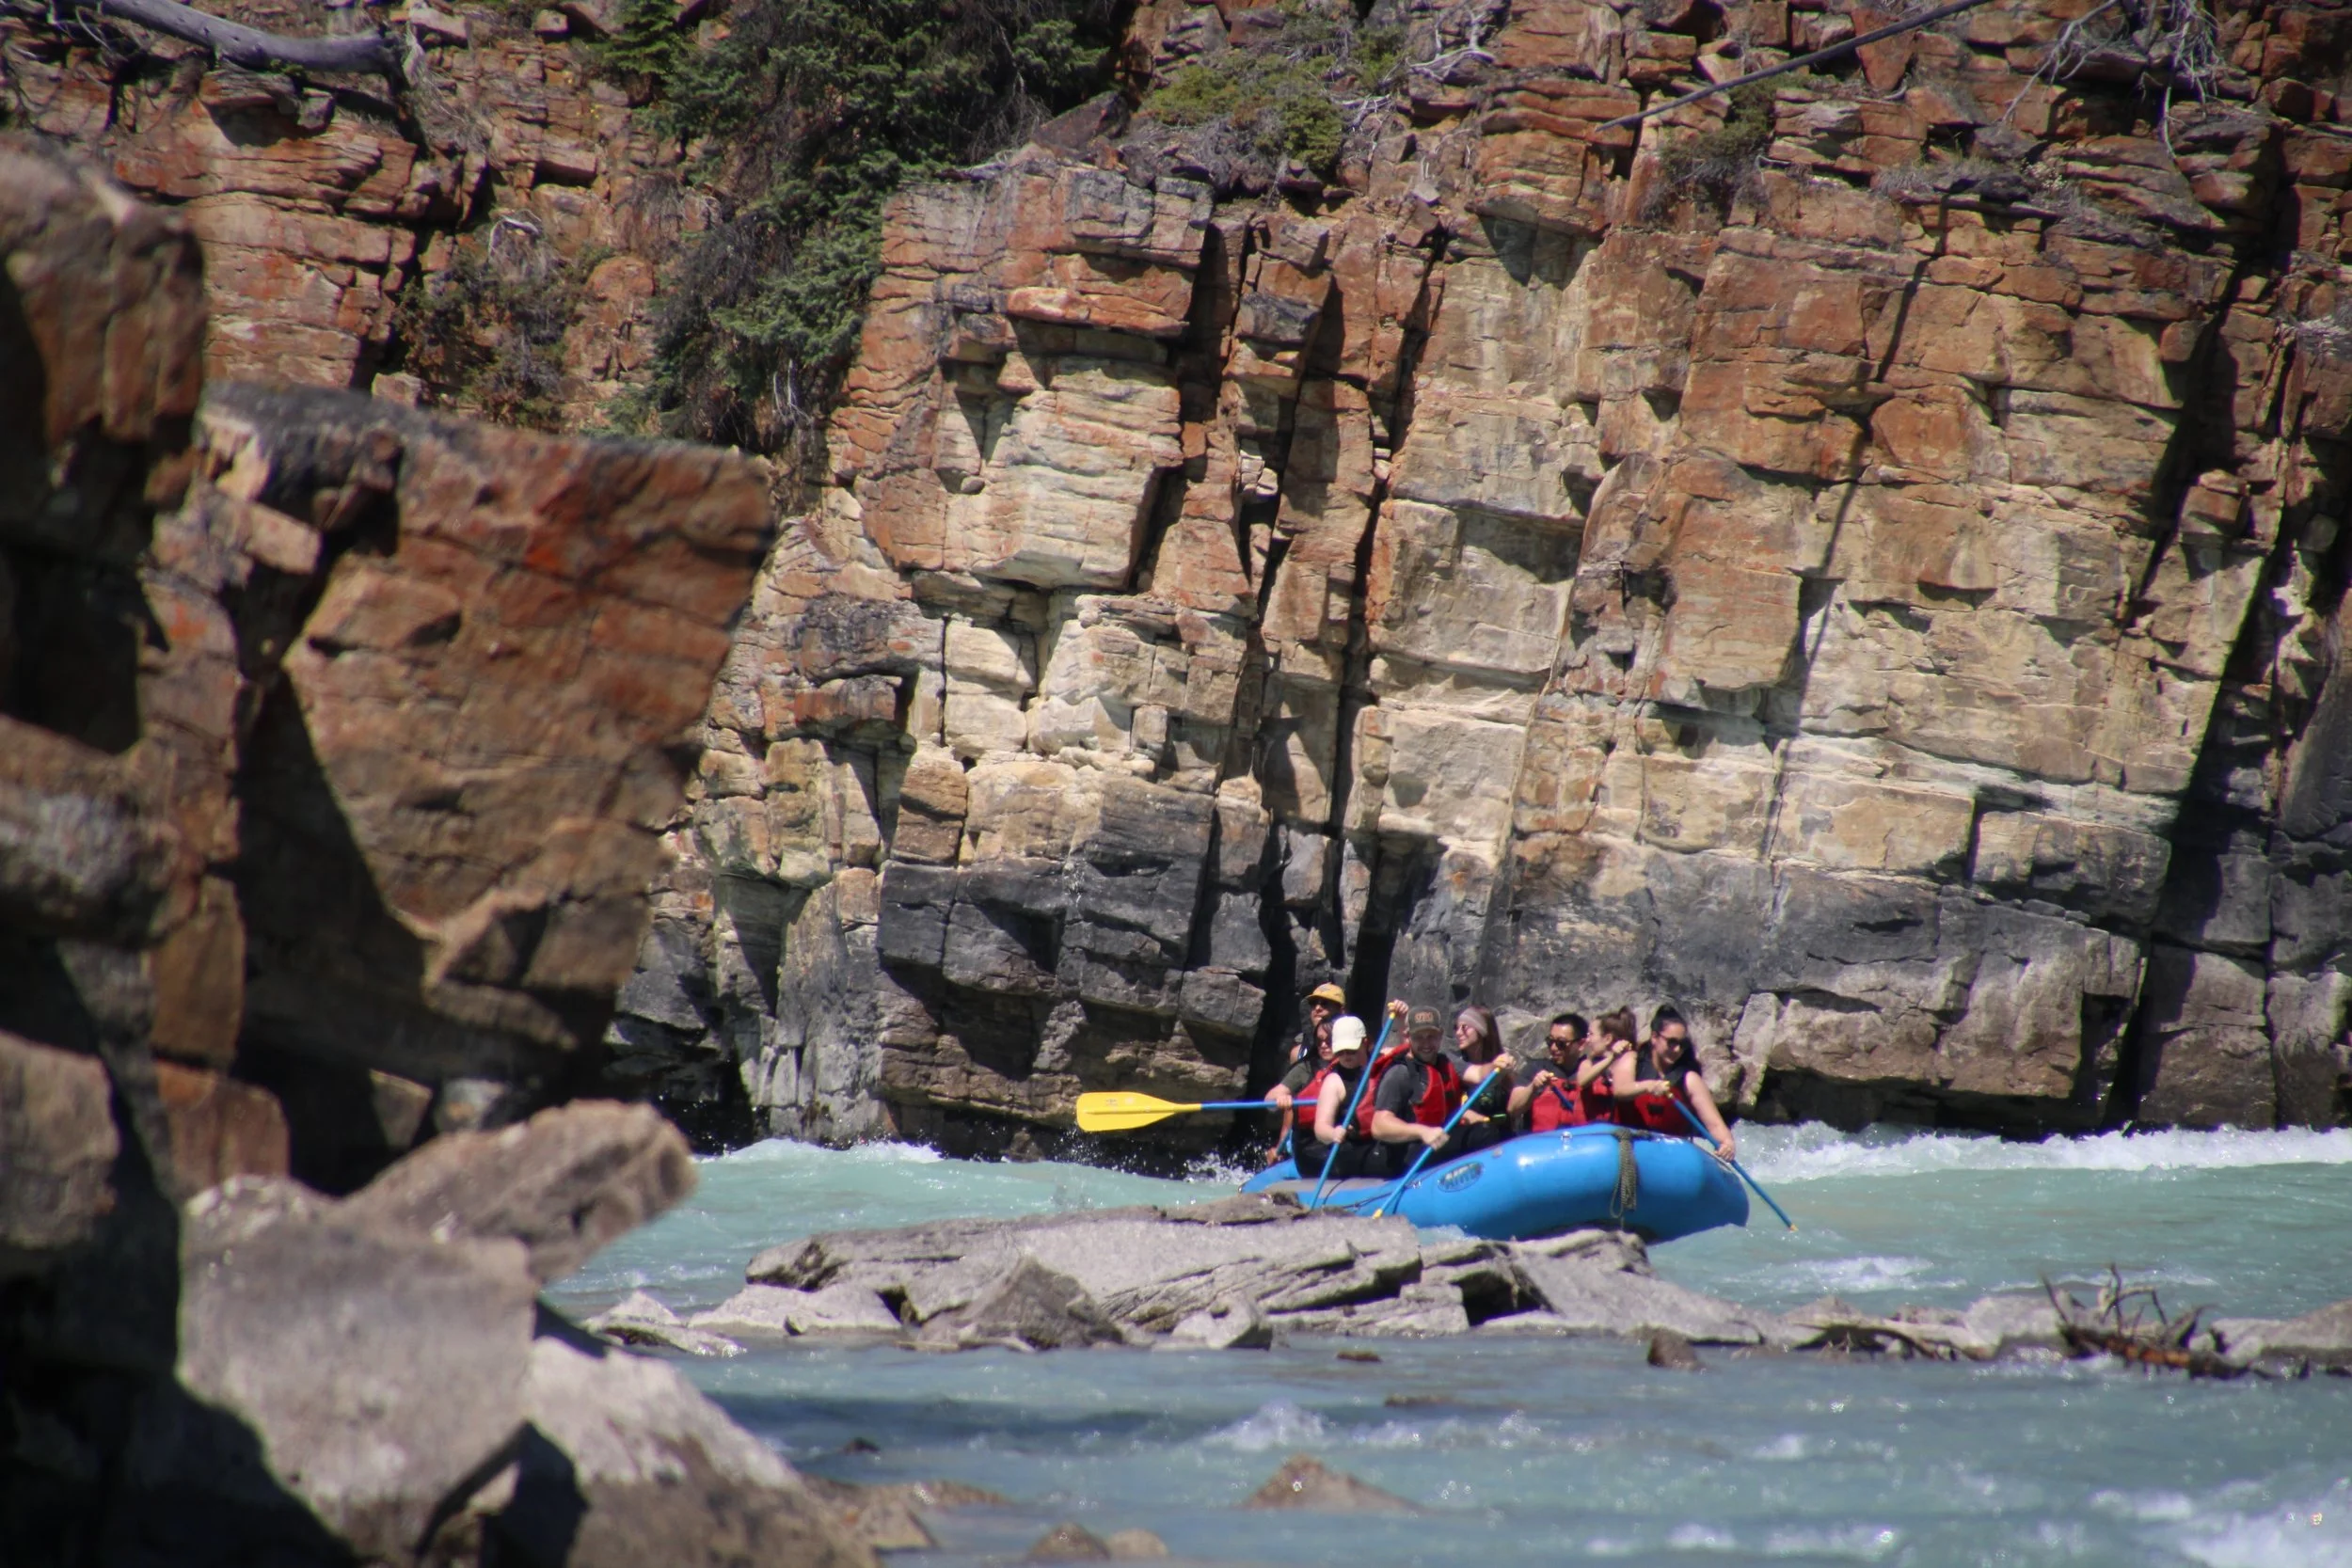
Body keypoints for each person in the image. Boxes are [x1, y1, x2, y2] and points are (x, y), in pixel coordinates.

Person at [1609, 1005, 1736, 1161]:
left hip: (1669, 1157)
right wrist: (1648, 1086)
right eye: (1672, 1042)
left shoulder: (1689, 1079)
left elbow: (1715, 1125)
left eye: (1682, 1044)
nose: (1677, 1050)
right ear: (1654, 1037)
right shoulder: (1632, 1060)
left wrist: (1727, 1143)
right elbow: (1620, 1090)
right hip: (1627, 1148)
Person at [1363, 1004, 1466, 1176]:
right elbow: (1379, 1125)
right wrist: (1422, 1131)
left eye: (1431, 1036)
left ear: (1440, 1035)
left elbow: (1477, 1073)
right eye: (1419, 1037)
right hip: (1404, 1152)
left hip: (1435, 1141)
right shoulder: (1399, 1073)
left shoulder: (1445, 1064)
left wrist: (1496, 1065)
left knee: (1483, 1133)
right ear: (1408, 1037)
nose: (1426, 1043)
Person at [1263, 982, 1346, 1164]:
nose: (1317, 1008)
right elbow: (1293, 1106)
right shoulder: (1301, 1056)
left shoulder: (1354, 1053)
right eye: (1314, 1004)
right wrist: (1281, 1146)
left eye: (1325, 1004)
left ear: (1341, 1012)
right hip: (1311, 1140)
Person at [1302, 1013, 1382, 1180]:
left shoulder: (1382, 1063)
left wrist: (1401, 1020)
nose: (1346, 1055)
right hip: (1350, 1149)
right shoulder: (1334, 1081)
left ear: (1365, 1043)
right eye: (1340, 1051)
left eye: (1351, 1049)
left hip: (1378, 1139)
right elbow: (1321, 1127)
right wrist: (1333, 1133)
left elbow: (1410, 1050)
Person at [1450, 1005, 1517, 1153]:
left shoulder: (1502, 1067)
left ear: (1482, 1030)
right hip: (1468, 1140)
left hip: (1501, 1137)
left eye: (1465, 1027)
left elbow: (1512, 1110)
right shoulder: (1454, 1063)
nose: (1458, 1033)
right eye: (1456, 1028)